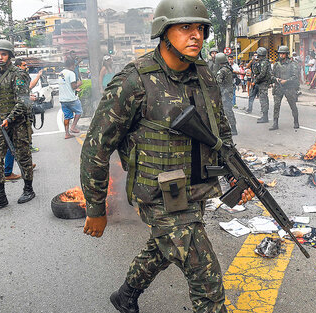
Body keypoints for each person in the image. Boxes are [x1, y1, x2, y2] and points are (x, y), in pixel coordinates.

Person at [80, 1, 256, 312]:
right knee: (207, 278)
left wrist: (235, 172)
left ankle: (125, 295)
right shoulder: (134, 80)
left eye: (200, 28)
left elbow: (221, 132)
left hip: (196, 188)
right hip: (157, 194)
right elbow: (96, 146)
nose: (196, 36)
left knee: (163, 248)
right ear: (163, 33)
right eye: (186, 27)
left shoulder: (205, 75)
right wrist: (96, 207)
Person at [0, 39, 35, 212]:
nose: (0, 57)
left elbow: (23, 103)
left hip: (18, 122)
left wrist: (9, 119)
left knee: (23, 156)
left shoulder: (18, 75)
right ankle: (0, 197)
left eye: (3, 54)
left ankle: (28, 189)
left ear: (10, 56)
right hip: (1, 123)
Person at [269, 45, 299, 130]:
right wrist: (276, 79)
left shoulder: (292, 64)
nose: (281, 55)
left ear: (286, 54)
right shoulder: (276, 64)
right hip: (278, 87)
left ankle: (296, 121)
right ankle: (275, 123)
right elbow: (271, 76)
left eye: (283, 54)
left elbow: (295, 76)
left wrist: (286, 81)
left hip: (289, 87)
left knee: (293, 105)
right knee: (276, 105)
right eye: (280, 54)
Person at [59, 58, 83, 139]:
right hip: (71, 99)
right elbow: (73, 86)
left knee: (67, 117)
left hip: (63, 99)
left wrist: (75, 89)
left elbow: (66, 85)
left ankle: (67, 133)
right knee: (79, 111)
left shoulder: (61, 73)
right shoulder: (71, 73)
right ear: (72, 65)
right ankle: (73, 127)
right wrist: (79, 84)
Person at [246, 47, 271, 123]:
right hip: (261, 82)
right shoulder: (260, 62)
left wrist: (255, 81)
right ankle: (264, 116)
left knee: (263, 99)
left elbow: (262, 74)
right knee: (262, 99)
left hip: (263, 83)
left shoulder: (264, 63)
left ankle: (265, 117)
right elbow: (255, 71)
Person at [216, 53, 237, 135]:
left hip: (224, 94)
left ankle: (233, 129)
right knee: (227, 110)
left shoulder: (222, 71)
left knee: (226, 111)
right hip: (229, 93)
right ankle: (231, 128)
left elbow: (218, 82)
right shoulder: (228, 68)